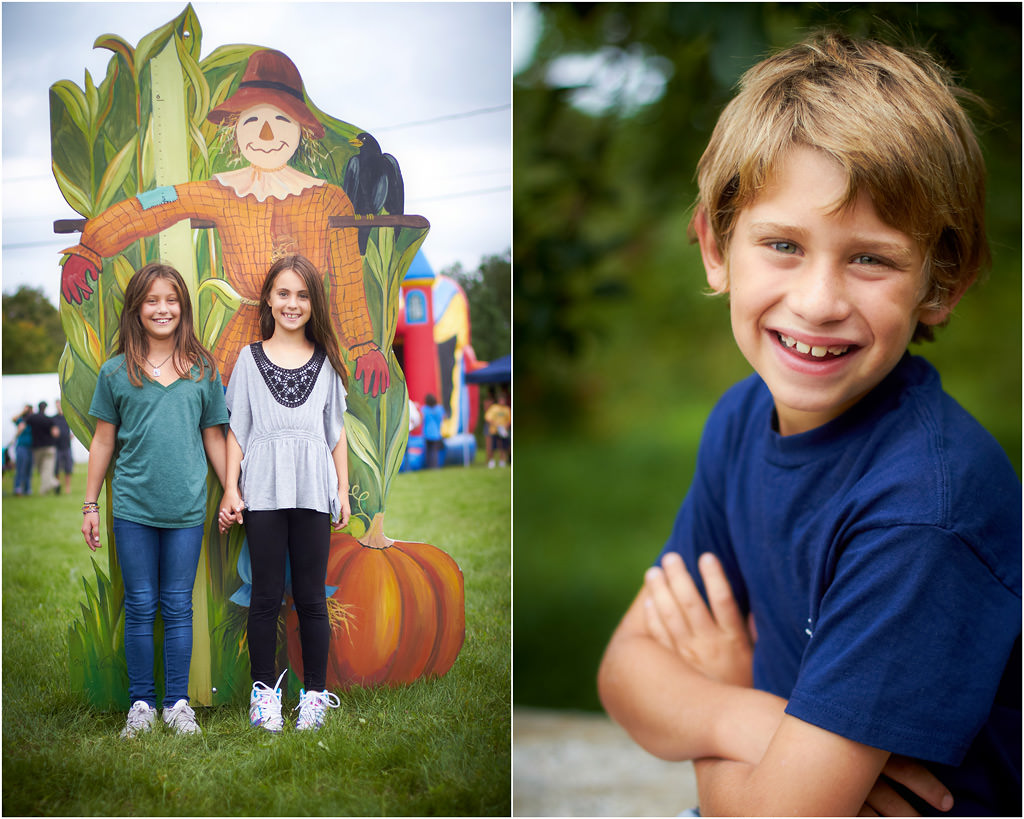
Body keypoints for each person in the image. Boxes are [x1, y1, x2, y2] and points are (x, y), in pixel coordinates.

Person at [597, 32, 1020, 816]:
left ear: (942, 282)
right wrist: (742, 713)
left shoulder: (923, 513)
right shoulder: (742, 421)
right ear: (716, 247)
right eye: (783, 245)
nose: (819, 300)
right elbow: (626, 670)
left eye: (871, 259)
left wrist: (710, 707)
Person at [58, 49, 389, 393]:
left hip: (306, 339)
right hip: (242, 346)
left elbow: (348, 277)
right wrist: (92, 244)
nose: (265, 135)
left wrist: (362, 344)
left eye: (280, 121)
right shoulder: (224, 191)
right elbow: (158, 202)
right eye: (251, 121)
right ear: (234, 130)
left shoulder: (329, 199)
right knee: (226, 423)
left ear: (300, 131)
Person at [81, 262, 228, 738]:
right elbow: (103, 442)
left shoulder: (203, 370)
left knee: (178, 606)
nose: (162, 308)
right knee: (141, 606)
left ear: (182, 307)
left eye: (171, 300)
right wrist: (89, 505)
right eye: (151, 300)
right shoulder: (115, 372)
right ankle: (141, 705)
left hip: (186, 510)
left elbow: (214, 437)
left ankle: (177, 704)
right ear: (136, 309)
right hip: (132, 510)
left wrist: (233, 489)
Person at [218, 253, 350, 733]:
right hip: (265, 492)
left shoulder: (327, 362)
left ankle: (314, 695)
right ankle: (264, 696)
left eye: (302, 295)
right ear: (268, 300)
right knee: (266, 596)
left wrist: (343, 490)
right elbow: (237, 431)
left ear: (314, 303)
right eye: (283, 293)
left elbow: (335, 434)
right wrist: (231, 487)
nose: (292, 303)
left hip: (314, 490)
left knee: (312, 597)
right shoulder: (250, 361)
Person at [26, 401, 59, 495]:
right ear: (45, 408)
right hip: (49, 447)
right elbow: (55, 433)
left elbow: (22, 425)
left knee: (41, 470)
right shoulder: (49, 419)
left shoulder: (32, 418)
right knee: (47, 469)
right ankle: (55, 483)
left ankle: (44, 490)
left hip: (37, 448)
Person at [484, 390, 511, 468]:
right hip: (494, 431)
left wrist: (505, 426)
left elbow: (509, 420)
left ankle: (502, 461)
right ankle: (491, 461)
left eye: (503, 400)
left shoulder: (507, 409)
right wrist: (496, 425)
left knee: (503, 447)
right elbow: (488, 418)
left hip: (503, 431)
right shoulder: (494, 408)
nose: (502, 401)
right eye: (501, 400)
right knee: (493, 447)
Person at [52, 400, 74, 495]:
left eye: (60, 405)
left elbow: (73, 429)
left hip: (67, 446)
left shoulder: (68, 417)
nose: (59, 407)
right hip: (57, 447)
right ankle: (58, 485)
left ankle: (67, 487)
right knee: (56, 468)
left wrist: (72, 435)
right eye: (57, 405)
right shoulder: (53, 419)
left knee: (68, 468)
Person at [12, 404, 34, 495]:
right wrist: (23, 411)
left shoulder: (32, 422)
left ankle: (27, 489)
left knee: (29, 469)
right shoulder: (21, 421)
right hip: (21, 447)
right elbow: (13, 419)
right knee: (21, 468)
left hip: (31, 448)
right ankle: (17, 488)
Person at [421, 394, 445, 469]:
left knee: (428, 452)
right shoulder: (439, 409)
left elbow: (421, 419)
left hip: (427, 433)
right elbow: (443, 418)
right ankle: (435, 466)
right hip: (436, 433)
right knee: (434, 452)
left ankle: (428, 466)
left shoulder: (424, 409)